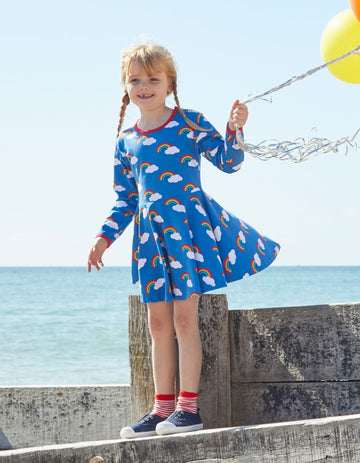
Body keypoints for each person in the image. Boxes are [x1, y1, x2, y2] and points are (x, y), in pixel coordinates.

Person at [87, 43, 280, 438]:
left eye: (153, 78)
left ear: (169, 83)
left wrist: (236, 127)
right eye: (136, 79)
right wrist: (103, 237)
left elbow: (230, 161)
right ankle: (161, 410)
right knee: (157, 325)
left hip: (187, 237)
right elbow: (126, 200)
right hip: (151, 242)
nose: (144, 86)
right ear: (126, 87)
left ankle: (188, 410)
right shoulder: (126, 141)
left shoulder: (189, 123)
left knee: (183, 320)